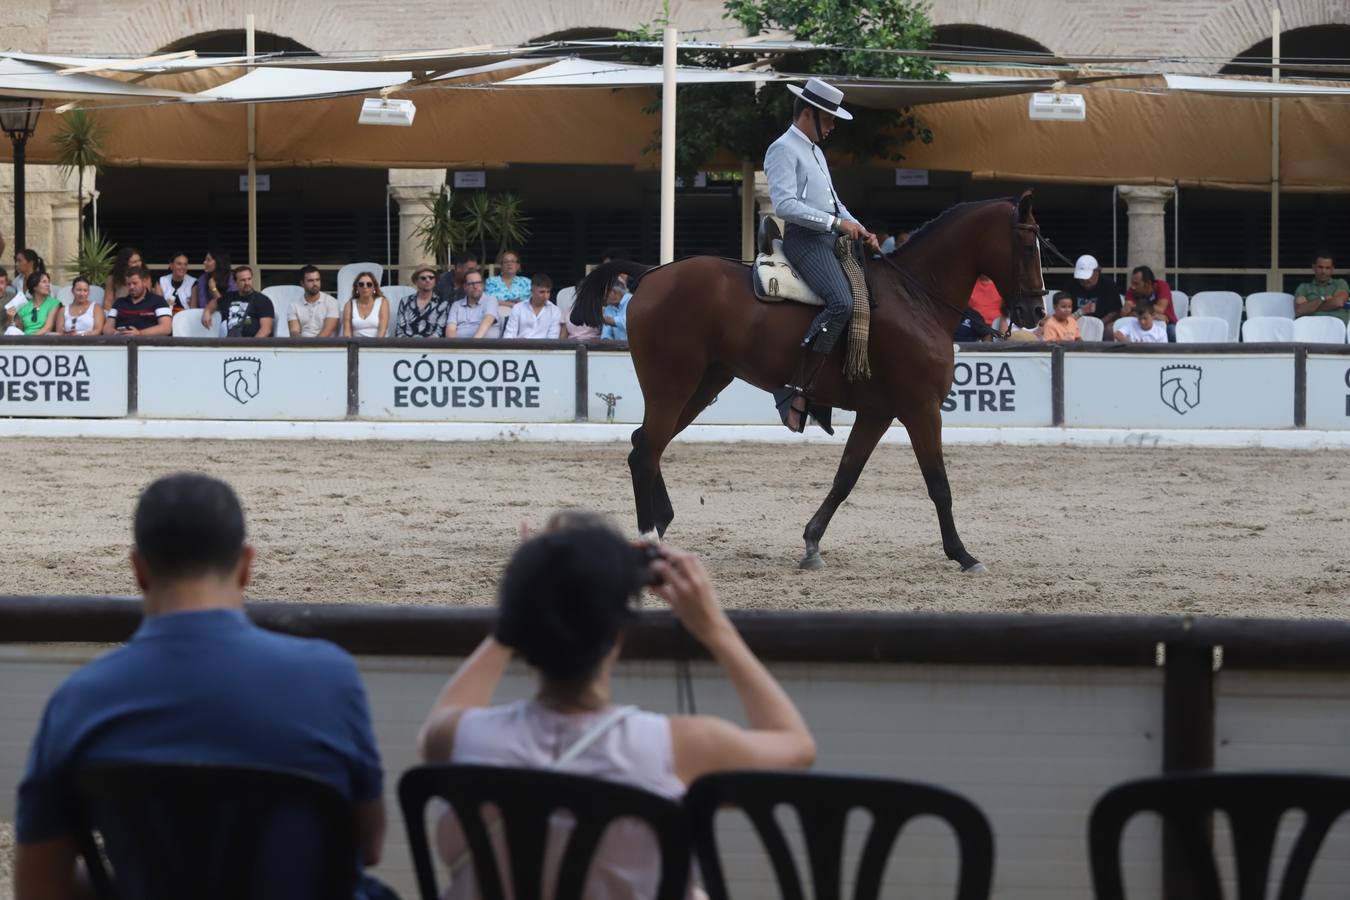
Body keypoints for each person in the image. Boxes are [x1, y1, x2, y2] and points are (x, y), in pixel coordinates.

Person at [13, 474, 387, 900]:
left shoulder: (80, 699)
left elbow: (38, 884)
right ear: (246, 565)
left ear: (139, 570)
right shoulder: (329, 677)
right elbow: (368, 846)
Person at [416, 514, 815, 900]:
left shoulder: (458, 738)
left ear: (519, 625)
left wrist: (532, 593)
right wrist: (714, 628)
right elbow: (795, 748)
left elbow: (439, 721)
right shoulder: (680, 747)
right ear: (620, 632)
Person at [764, 77, 879, 433]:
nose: (831, 128)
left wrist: (859, 226)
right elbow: (785, 205)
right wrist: (835, 224)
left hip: (828, 238)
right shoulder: (783, 148)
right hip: (805, 241)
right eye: (829, 120)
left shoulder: (814, 149)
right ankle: (797, 388)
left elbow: (834, 202)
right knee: (842, 303)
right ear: (809, 114)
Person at [205, 265, 275, 338]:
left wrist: (251, 346)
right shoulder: (229, 297)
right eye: (243, 280)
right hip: (229, 343)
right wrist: (207, 311)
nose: (247, 283)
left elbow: (266, 329)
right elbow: (215, 302)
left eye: (249, 279)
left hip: (252, 344)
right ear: (235, 282)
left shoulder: (262, 300)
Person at [104, 267, 172, 336]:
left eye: (135, 283)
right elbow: (106, 329)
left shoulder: (158, 301)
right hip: (121, 343)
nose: (131, 287)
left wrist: (139, 333)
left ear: (144, 282)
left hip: (147, 344)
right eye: (128, 284)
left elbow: (166, 328)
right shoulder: (119, 303)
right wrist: (117, 333)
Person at [395, 266, 451, 338]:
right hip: (406, 345)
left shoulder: (443, 303)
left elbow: (439, 331)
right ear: (416, 282)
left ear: (435, 281)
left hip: (432, 346)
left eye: (431, 277)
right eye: (423, 278)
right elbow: (399, 329)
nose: (428, 280)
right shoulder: (405, 301)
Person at [287, 265, 341, 337]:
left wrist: (312, 346)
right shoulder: (293, 305)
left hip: (326, 345)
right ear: (302, 283)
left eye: (317, 280)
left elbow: (327, 332)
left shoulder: (332, 302)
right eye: (310, 280)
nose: (315, 284)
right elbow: (294, 331)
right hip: (302, 344)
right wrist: (302, 344)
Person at [1294, 254, 1349, 323]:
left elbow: (1338, 303)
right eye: (1320, 267)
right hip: (1311, 328)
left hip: (1337, 327)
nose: (1323, 271)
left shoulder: (1340, 283)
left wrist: (1310, 306)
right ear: (1313, 267)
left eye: (1327, 268)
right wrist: (1322, 298)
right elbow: (1299, 311)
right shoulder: (1304, 287)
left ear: (1332, 269)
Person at [502, 274, 561, 339]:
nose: (546, 296)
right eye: (542, 292)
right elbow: (509, 334)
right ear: (532, 291)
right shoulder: (518, 308)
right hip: (520, 347)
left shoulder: (555, 310)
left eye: (548, 292)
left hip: (544, 348)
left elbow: (552, 338)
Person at [1124, 266, 1176, 339]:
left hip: (1167, 324)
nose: (1132, 287)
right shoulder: (1132, 291)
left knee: (1173, 332)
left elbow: (1161, 309)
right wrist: (1152, 316)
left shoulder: (1162, 286)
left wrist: (1136, 307)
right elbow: (1126, 314)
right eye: (1132, 283)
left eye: (1136, 284)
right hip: (1140, 324)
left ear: (1148, 283)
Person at [1068, 254, 1121, 326]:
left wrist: (1099, 325)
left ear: (1097, 272)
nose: (1084, 280)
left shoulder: (1108, 285)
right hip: (1075, 322)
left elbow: (1114, 311)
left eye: (1087, 277)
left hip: (1102, 323)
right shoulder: (1071, 284)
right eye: (1081, 278)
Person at [446, 270, 498, 339]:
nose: (475, 286)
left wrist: (472, 345)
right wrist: (455, 347)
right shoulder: (456, 305)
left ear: (483, 285)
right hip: (459, 347)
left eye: (478, 283)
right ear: (465, 287)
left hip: (484, 346)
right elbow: (450, 330)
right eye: (471, 283)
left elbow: (487, 320)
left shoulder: (491, 300)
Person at [563, 273, 612, 342]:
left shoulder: (603, 310)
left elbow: (606, 334)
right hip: (571, 347)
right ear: (577, 292)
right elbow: (562, 338)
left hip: (595, 347)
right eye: (580, 291)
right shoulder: (567, 312)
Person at [11, 271, 60, 336]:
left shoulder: (53, 303)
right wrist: (10, 318)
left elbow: (48, 328)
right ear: (34, 286)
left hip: (43, 340)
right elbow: (18, 330)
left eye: (48, 282)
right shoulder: (24, 306)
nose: (48, 285)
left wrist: (29, 339)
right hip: (24, 342)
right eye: (44, 282)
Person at [483, 250, 531, 316]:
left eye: (512, 261)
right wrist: (511, 304)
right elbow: (488, 300)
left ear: (518, 266)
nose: (509, 264)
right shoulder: (491, 281)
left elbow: (533, 302)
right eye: (506, 261)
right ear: (501, 266)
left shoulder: (526, 282)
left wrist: (502, 302)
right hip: (497, 317)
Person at [343, 271, 388, 338]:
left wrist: (375, 346)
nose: (365, 287)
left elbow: (383, 330)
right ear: (357, 287)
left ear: (374, 288)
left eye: (369, 284)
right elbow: (347, 331)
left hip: (378, 344)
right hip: (357, 344)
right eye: (361, 284)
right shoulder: (349, 305)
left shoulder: (382, 302)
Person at [103, 246, 144, 311]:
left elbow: (148, 300)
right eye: (134, 262)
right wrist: (111, 316)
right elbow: (107, 302)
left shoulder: (145, 277)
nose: (138, 264)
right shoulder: (112, 278)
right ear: (125, 264)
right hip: (119, 313)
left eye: (139, 261)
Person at [599, 277, 631, 342]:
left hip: (636, 347)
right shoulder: (609, 307)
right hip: (618, 348)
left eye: (603, 294)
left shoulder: (633, 301)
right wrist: (605, 339)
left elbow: (631, 323)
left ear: (613, 292)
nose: (602, 298)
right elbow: (606, 332)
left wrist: (611, 321)